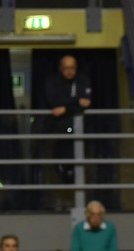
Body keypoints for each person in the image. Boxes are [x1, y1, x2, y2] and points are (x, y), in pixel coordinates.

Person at [40, 55, 92, 183]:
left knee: (77, 151)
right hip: (56, 129)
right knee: (57, 152)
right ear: (60, 68)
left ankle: (72, 175)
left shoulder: (82, 80)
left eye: (72, 68)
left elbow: (86, 103)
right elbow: (53, 102)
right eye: (66, 68)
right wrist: (76, 102)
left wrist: (65, 108)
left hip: (76, 128)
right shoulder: (52, 81)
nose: (69, 71)